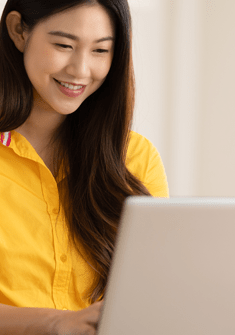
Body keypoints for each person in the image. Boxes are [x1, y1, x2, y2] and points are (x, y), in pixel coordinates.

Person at [0, 0, 169, 333]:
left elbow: (154, 289)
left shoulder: (134, 157)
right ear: (19, 31)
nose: (80, 70)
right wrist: (57, 323)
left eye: (100, 51)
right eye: (64, 45)